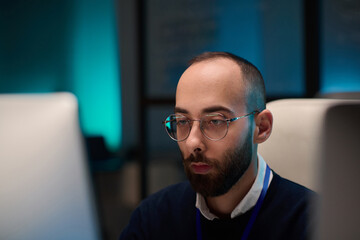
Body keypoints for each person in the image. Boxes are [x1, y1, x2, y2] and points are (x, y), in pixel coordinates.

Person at [119, 52, 315, 240]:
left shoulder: (315, 221)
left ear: (261, 128)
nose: (192, 142)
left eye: (215, 121)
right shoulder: (153, 218)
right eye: (182, 121)